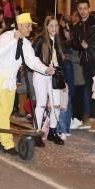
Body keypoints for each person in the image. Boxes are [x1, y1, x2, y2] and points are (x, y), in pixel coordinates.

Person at [0, 13, 54, 155]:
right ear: (20, 26)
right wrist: (14, 40)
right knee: (3, 113)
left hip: (10, 81)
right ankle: (7, 143)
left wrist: (45, 69)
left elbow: (32, 61)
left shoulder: (26, 44)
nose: (30, 29)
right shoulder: (6, 37)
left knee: (6, 113)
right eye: (28, 26)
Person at [71, 0, 95, 131]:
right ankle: (92, 117)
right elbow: (73, 43)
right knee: (90, 89)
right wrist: (80, 45)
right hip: (85, 61)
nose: (82, 11)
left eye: (85, 8)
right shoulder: (77, 26)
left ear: (89, 8)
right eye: (80, 9)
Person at [32, 16, 65, 146]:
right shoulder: (40, 40)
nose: (54, 28)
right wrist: (45, 68)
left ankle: (52, 131)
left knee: (56, 105)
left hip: (55, 77)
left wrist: (63, 80)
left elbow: (61, 62)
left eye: (56, 26)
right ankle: (37, 133)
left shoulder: (58, 41)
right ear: (46, 26)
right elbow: (32, 58)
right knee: (40, 104)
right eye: (51, 25)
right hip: (41, 75)